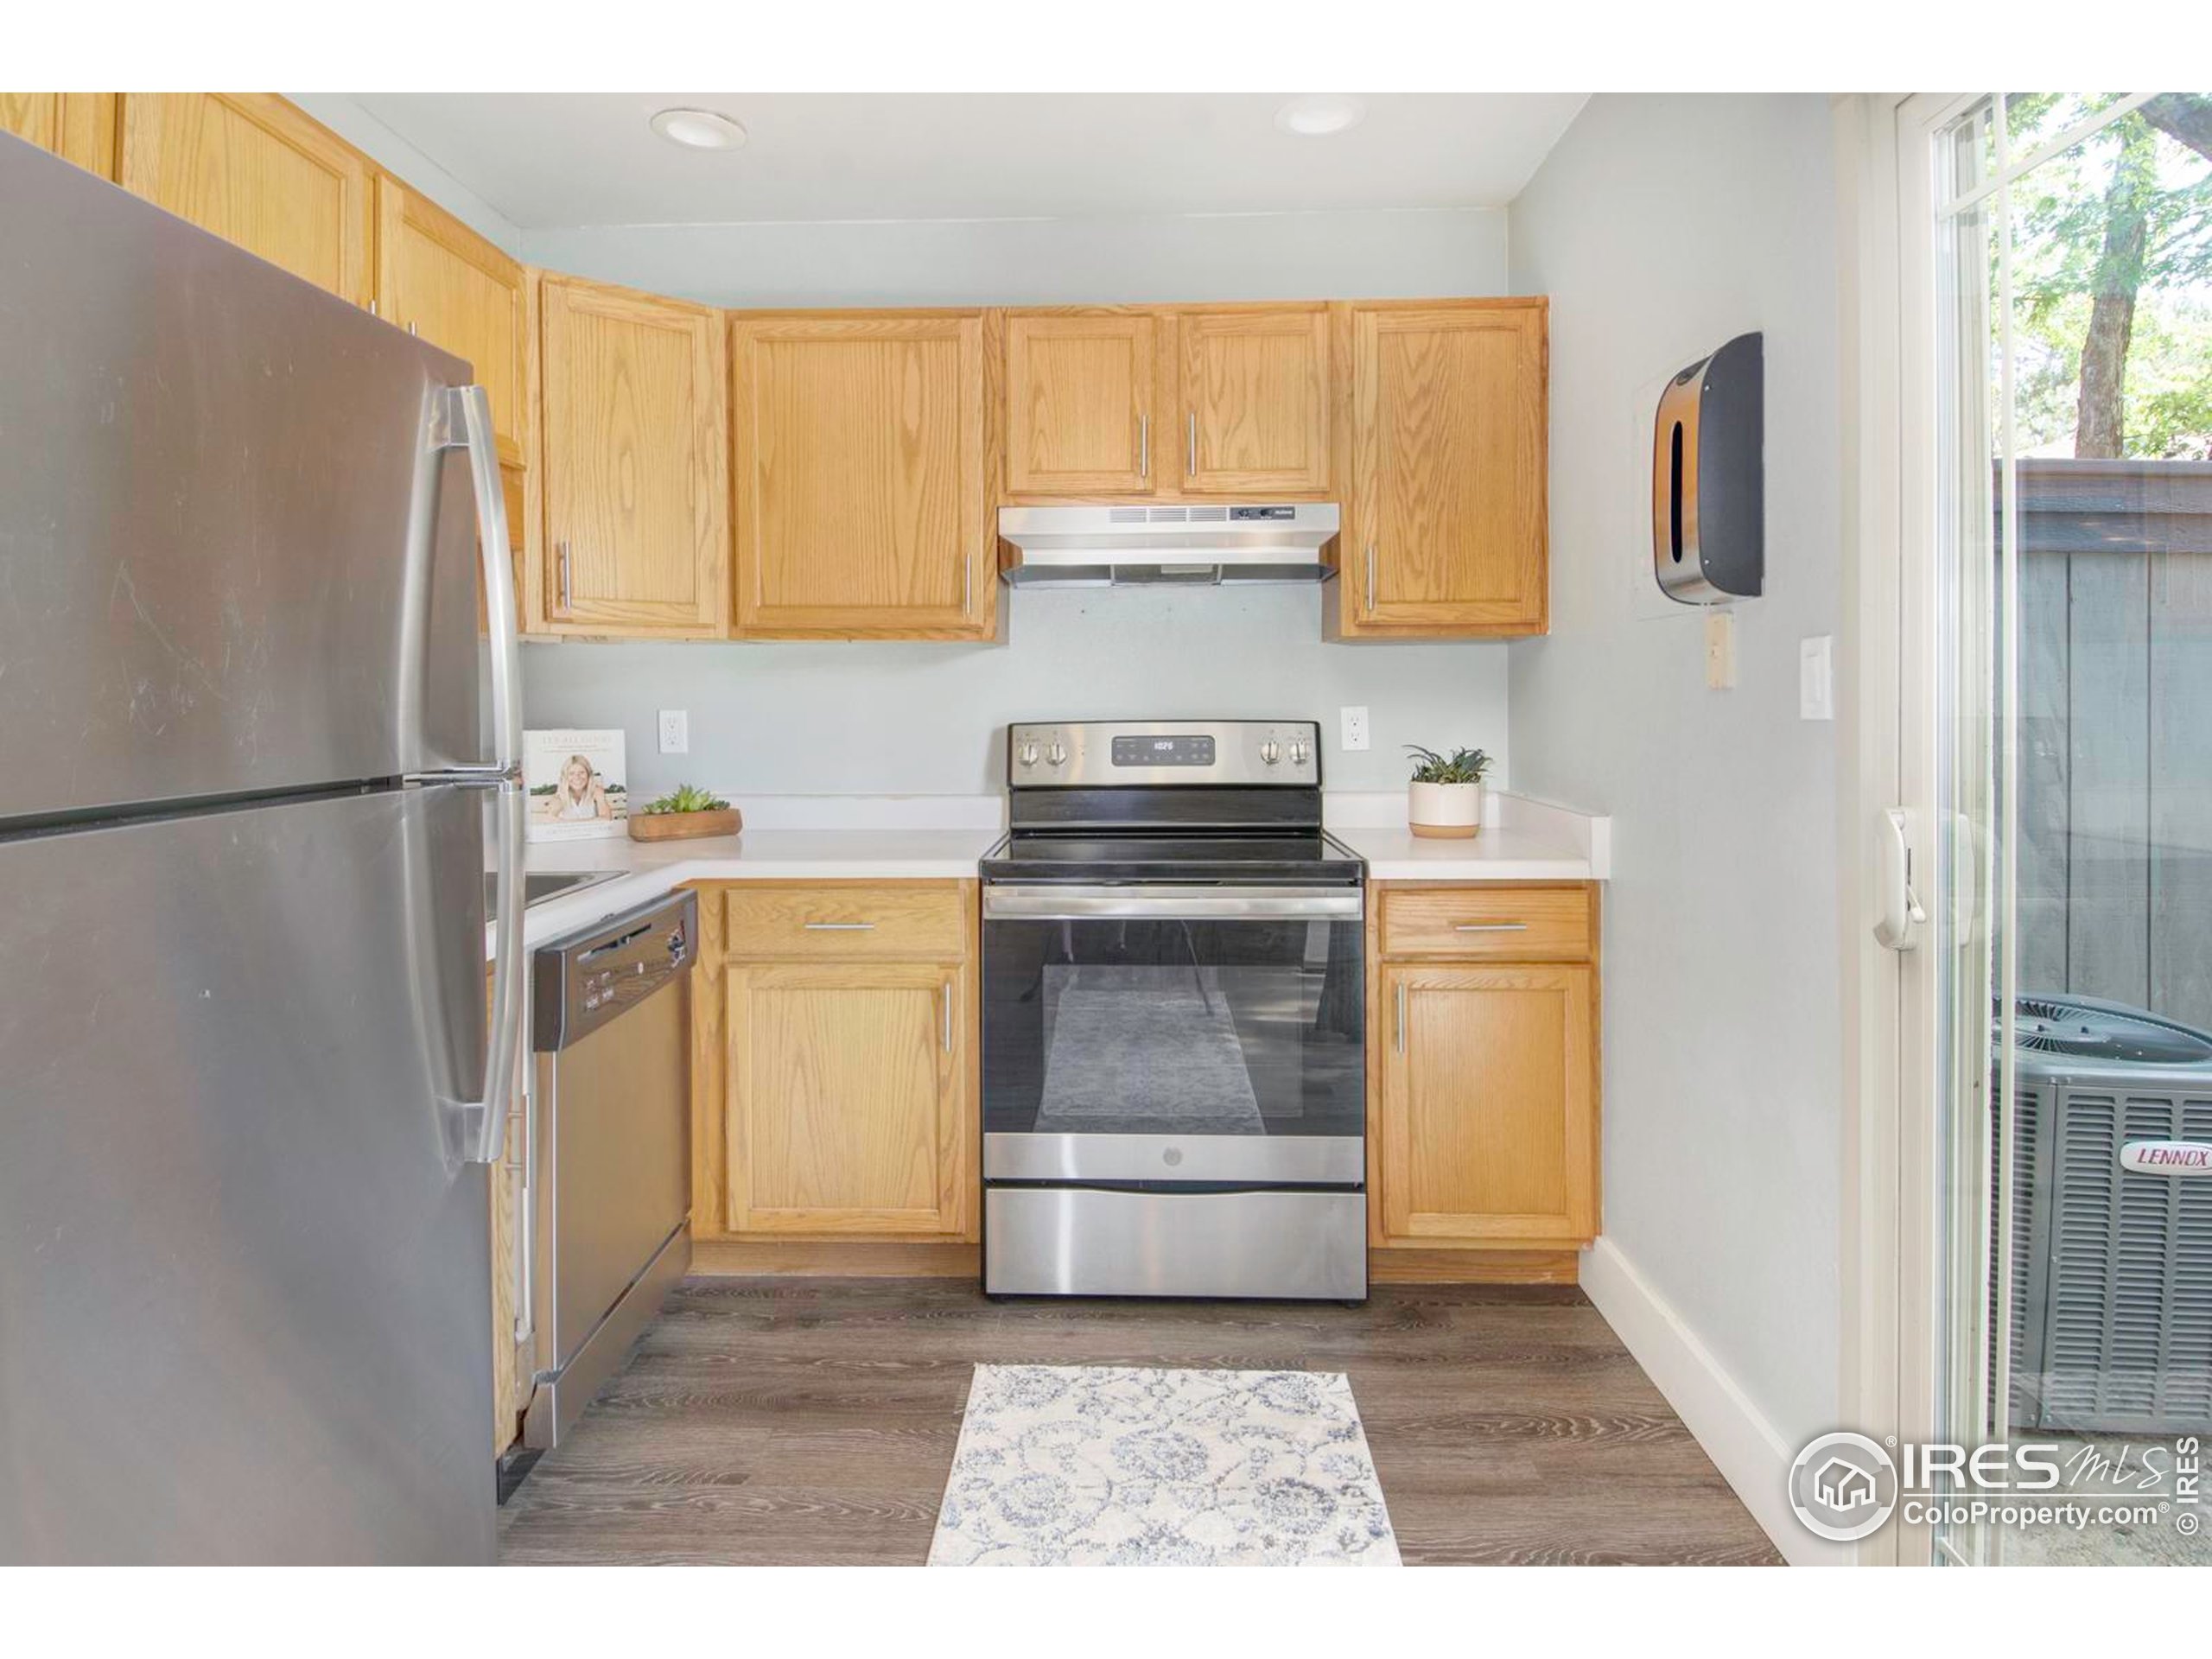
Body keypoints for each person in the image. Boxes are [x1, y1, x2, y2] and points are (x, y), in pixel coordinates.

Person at [546, 753, 613, 822]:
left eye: (582, 772)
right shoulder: (560, 796)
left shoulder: (597, 791)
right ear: (566, 777)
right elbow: (549, 820)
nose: (577, 777)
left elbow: (606, 819)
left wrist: (570, 823)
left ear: (588, 775)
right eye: (572, 773)